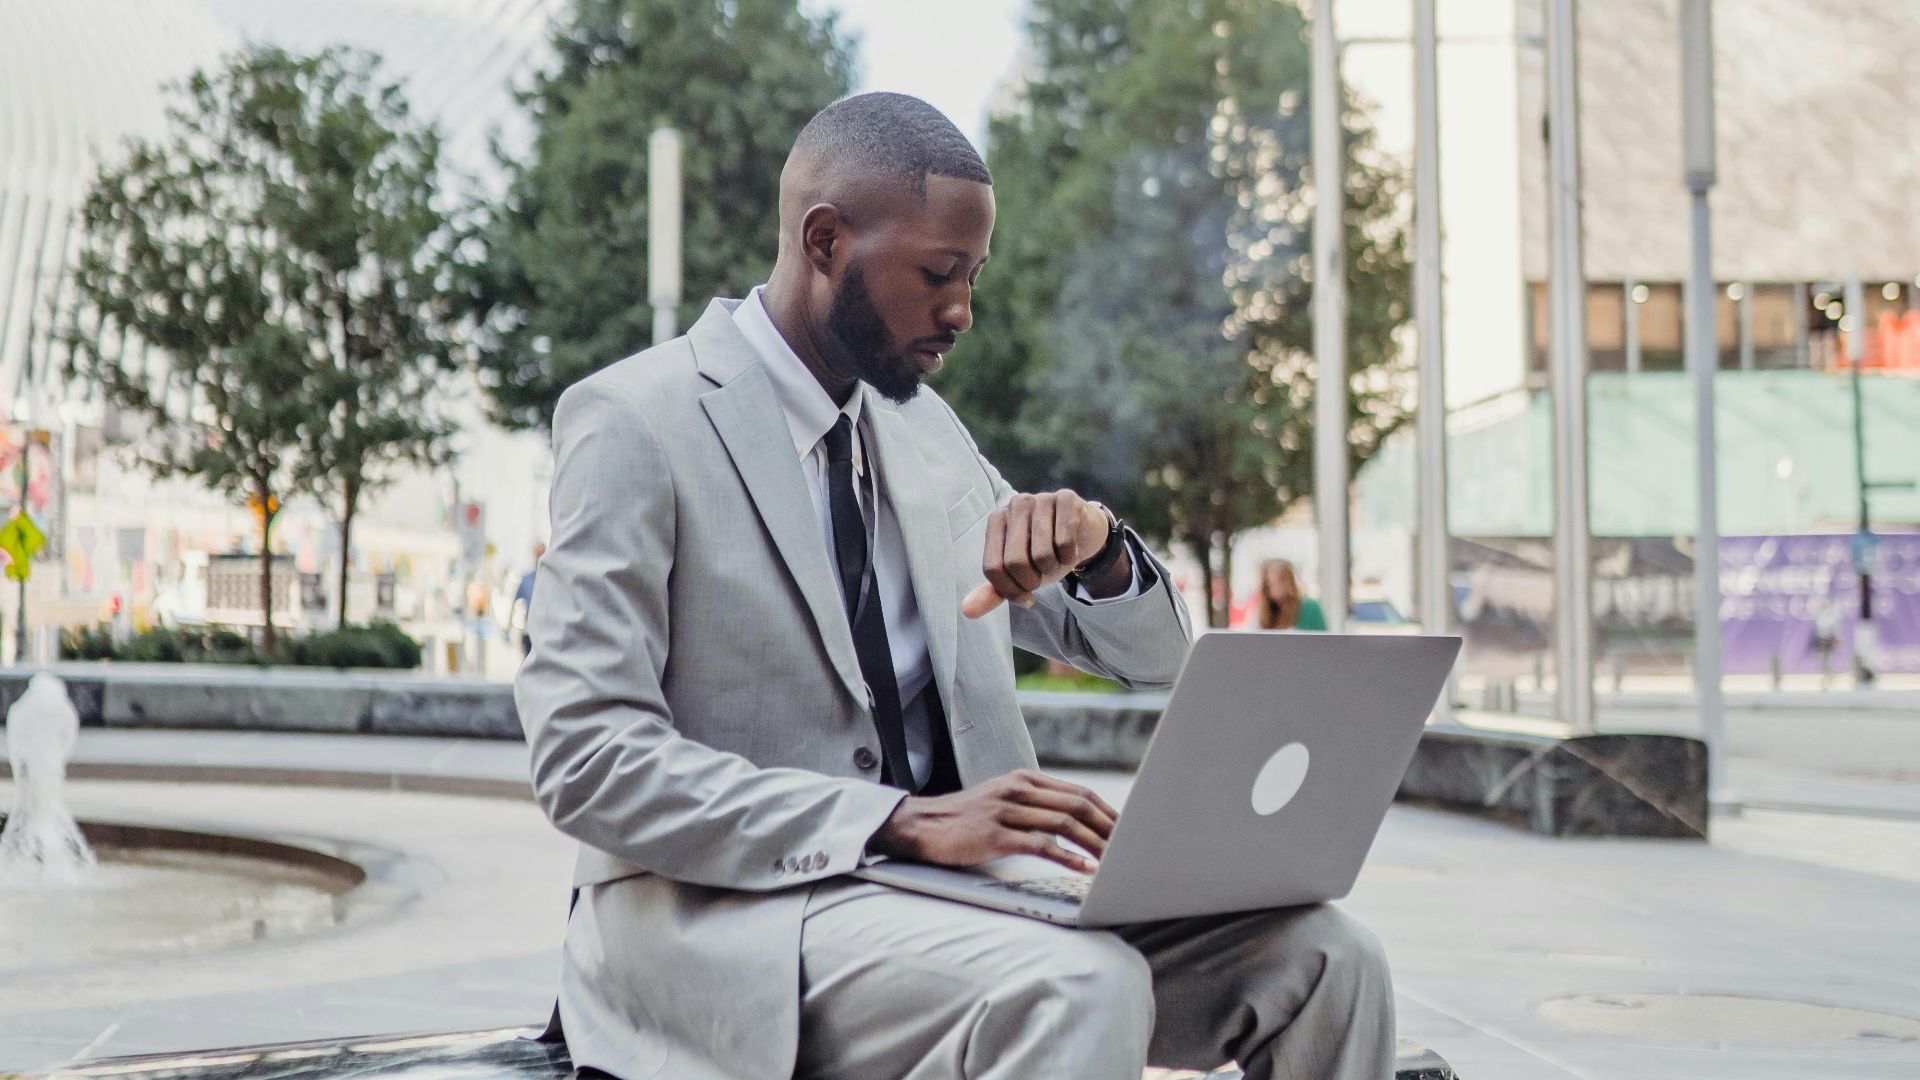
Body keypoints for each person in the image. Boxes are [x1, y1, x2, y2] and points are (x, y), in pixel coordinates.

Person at [516, 92, 1393, 1080]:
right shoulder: (636, 420)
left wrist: (1097, 547)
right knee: (1078, 985)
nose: (962, 312)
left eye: (973, 276)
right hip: (740, 918)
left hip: (973, 898)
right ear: (825, 239)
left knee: (1329, 958)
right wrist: (894, 822)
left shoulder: (925, 431)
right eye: (938, 274)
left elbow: (1152, 658)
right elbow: (586, 754)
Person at [1253, 557, 1328, 631]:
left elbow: (1322, 640)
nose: (1276, 587)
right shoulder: (1266, 611)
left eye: (1280, 580)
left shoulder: (1310, 607)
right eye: (1270, 583)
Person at [513, 541, 545, 656]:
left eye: (542, 553)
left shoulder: (551, 580)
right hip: (529, 632)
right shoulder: (526, 579)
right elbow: (515, 602)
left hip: (545, 633)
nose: (539, 556)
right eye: (537, 553)